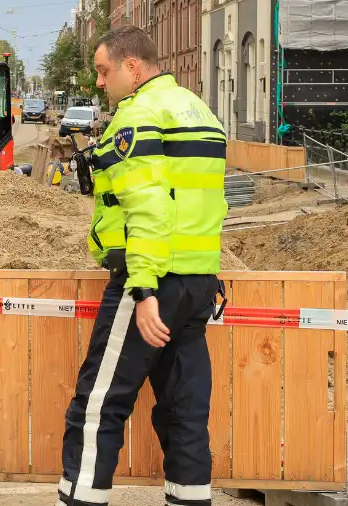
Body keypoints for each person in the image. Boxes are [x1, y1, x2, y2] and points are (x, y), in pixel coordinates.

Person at [59, 25, 227, 506]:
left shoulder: (140, 116)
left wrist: (144, 290)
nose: (99, 83)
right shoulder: (199, 110)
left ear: (132, 68)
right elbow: (205, 204)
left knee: (97, 408)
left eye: (103, 70)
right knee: (184, 412)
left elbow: (150, 209)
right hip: (197, 282)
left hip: (152, 282)